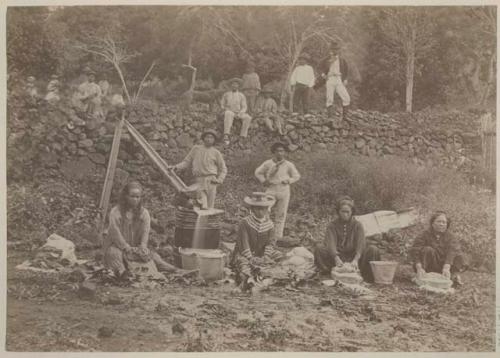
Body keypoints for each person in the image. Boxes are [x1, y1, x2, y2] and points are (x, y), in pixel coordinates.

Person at [103, 181, 181, 276]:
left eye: (138, 197)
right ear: (126, 196)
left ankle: (173, 269)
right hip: (118, 247)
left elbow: (145, 232)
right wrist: (126, 247)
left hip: (135, 249)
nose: (135, 199)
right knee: (113, 254)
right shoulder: (116, 212)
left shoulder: (144, 213)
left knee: (153, 257)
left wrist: (143, 246)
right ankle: (122, 272)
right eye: (132, 196)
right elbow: (115, 232)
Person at [314, 196, 381, 282]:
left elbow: (361, 243)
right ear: (338, 212)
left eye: (348, 212)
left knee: (373, 249)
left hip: (354, 257)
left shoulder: (357, 225)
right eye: (343, 211)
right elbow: (331, 243)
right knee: (319, 248)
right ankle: (327, 273)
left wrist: (356, 259)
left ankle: (366, 276)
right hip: (338, 257)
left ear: (352, 212)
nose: (345, 214)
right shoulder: (332, 225)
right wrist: (336, 258)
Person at [230, 192, 283, 291]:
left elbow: (271, 242)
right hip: (245, 253)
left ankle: (267, 274)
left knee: (279, 256)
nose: (260, 212)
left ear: (267, 209)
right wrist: (250, 257)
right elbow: (243, 242)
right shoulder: (245, 223)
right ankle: (248, 282)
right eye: (258, 209)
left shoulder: (270, 224)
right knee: (243, 265)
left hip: (261, 253)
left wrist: (266, 256)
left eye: (263, 209)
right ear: (252, 209)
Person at [255, 142, 301, 246]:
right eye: (277, 151)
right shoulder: (268, 163)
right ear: (274, 152)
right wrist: (263, 181)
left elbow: (296, 176)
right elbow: (258, 172)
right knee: (265, 209)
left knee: (281, 214)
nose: (280, 153)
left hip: (284, 190)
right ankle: (264, 233)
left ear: (285, 152)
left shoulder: (288, 164)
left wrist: (288, 180)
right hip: (271, 189)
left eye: (282, 151)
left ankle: (277, 238)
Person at [171, 129, 227, 209]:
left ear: (214, 140)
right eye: (207, 137)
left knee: (209, 207)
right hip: (198, 180)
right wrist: (176, 167)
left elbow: (223, 169)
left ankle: (208, 221)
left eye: (211, 137)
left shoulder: (216, 153)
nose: (209, 139)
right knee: (197, 205)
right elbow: (186, 162)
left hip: (211, 181)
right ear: (203, 138)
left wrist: (219, 180)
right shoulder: (196, 149)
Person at [409, 211, 466, 285]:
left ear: (447, 225)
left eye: (444, 222)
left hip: (443, 266)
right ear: (432, 223)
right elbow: (415, 250)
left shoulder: (451, 236)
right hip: (428, 264)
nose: (441, 224)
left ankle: (453, 276)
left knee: (459, 255)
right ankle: (422, 274)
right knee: (427, 250)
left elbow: (452, 250)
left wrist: (447, 266)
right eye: (439, 221)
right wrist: (419, 267)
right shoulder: (424, 234)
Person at [315, 42, 350, 120]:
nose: (335, 51)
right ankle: (330, 117)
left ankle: (345, 117)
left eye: (337, 49)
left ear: (339, 50)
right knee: (330, 98)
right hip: (330, 79)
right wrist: (323, 75)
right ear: (330, 50)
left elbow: (346, 70)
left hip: (339, 79)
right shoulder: (326, 59)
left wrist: (345, 79)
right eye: (333, 49)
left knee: (346, 97)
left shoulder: (342, 60)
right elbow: (318, 67)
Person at [220, 78, 252, 146]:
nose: (234, 86)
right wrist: (224, 109)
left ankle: (242, 136)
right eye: (233, 84)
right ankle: (226, 135)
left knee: (248, 118)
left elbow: (244, 106)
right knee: (228, 114)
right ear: (231, 85)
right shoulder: (226, 94)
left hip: (239, 112)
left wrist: (240, 113)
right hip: (229, 111)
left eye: (236, 84)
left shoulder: (241, 95)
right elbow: (222, 104)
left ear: (238, 86)